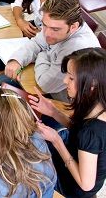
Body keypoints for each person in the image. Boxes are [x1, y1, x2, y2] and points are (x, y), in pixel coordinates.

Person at [29, 48, 106, 197]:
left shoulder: (92, 131)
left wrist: (56, 140)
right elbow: (79, 130)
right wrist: (54, 112)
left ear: (92, 85)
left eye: (71, 78)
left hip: (72, 187)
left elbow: (86, 184)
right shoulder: (97, 106)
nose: (65, 81)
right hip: (76, 157)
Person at [1, 0, 100, 101]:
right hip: (52, 80)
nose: (46, 33)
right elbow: (37, 43)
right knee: (5, 77)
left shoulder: (76, 48)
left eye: (55, 29)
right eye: (44, 25)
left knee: (4, 83)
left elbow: (46, 84)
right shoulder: (60, 25)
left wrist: (42, 53)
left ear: (73, 27)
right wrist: (17, 60)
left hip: (67, 102)